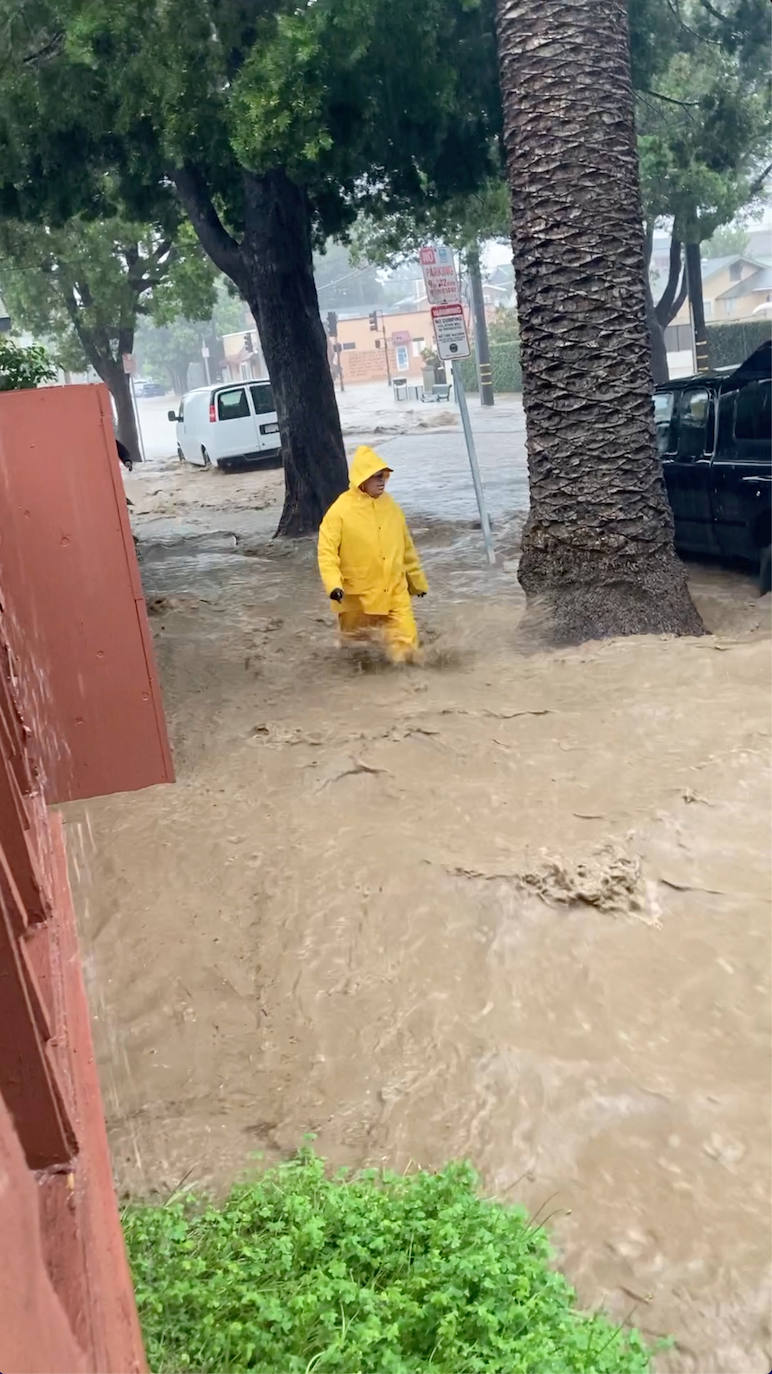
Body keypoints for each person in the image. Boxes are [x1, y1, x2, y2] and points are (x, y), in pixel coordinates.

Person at [318, 445, 428, 663]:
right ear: (362, 479)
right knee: (357, 650)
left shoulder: (393, 508)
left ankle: (410, 690)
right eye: (376, 476)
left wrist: (417, 582)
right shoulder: (339, 512)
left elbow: (406, 550)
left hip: (395, 592)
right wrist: (333, 586)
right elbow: (327, 553)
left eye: (383, 476)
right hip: (356, 596)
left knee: (406, 651)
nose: (381, 481)